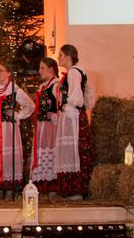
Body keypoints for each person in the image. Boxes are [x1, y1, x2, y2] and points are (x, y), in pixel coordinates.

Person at [0, 62, 35, 200]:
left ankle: (10, 187)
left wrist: (17, 115)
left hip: (8, 129)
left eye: (1, 70)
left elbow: (30, 105)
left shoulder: (15, 90)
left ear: (8, 73)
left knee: (8, 155)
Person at [54, 44, 93, 200]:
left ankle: (75, 190)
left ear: (68, 56)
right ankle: (70, 189)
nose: (59, 58)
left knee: (74, 151)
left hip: (73, 116)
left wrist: (66, 104)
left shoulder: (74, 73)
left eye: (61, 55)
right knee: (71, 151)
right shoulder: (76, 72)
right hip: (72, 115)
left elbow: (77, 97)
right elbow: (89, 95)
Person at [30, 58, 61, 196]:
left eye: (42, 68)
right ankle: (41, 185)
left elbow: (63, 107)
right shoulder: (43, 87)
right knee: (41, 152)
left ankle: (52, 185)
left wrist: (54, 115)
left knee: (50, 151)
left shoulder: (56, 86)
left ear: (51, 69)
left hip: (51, 127)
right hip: (42, 126)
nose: (39, 71)